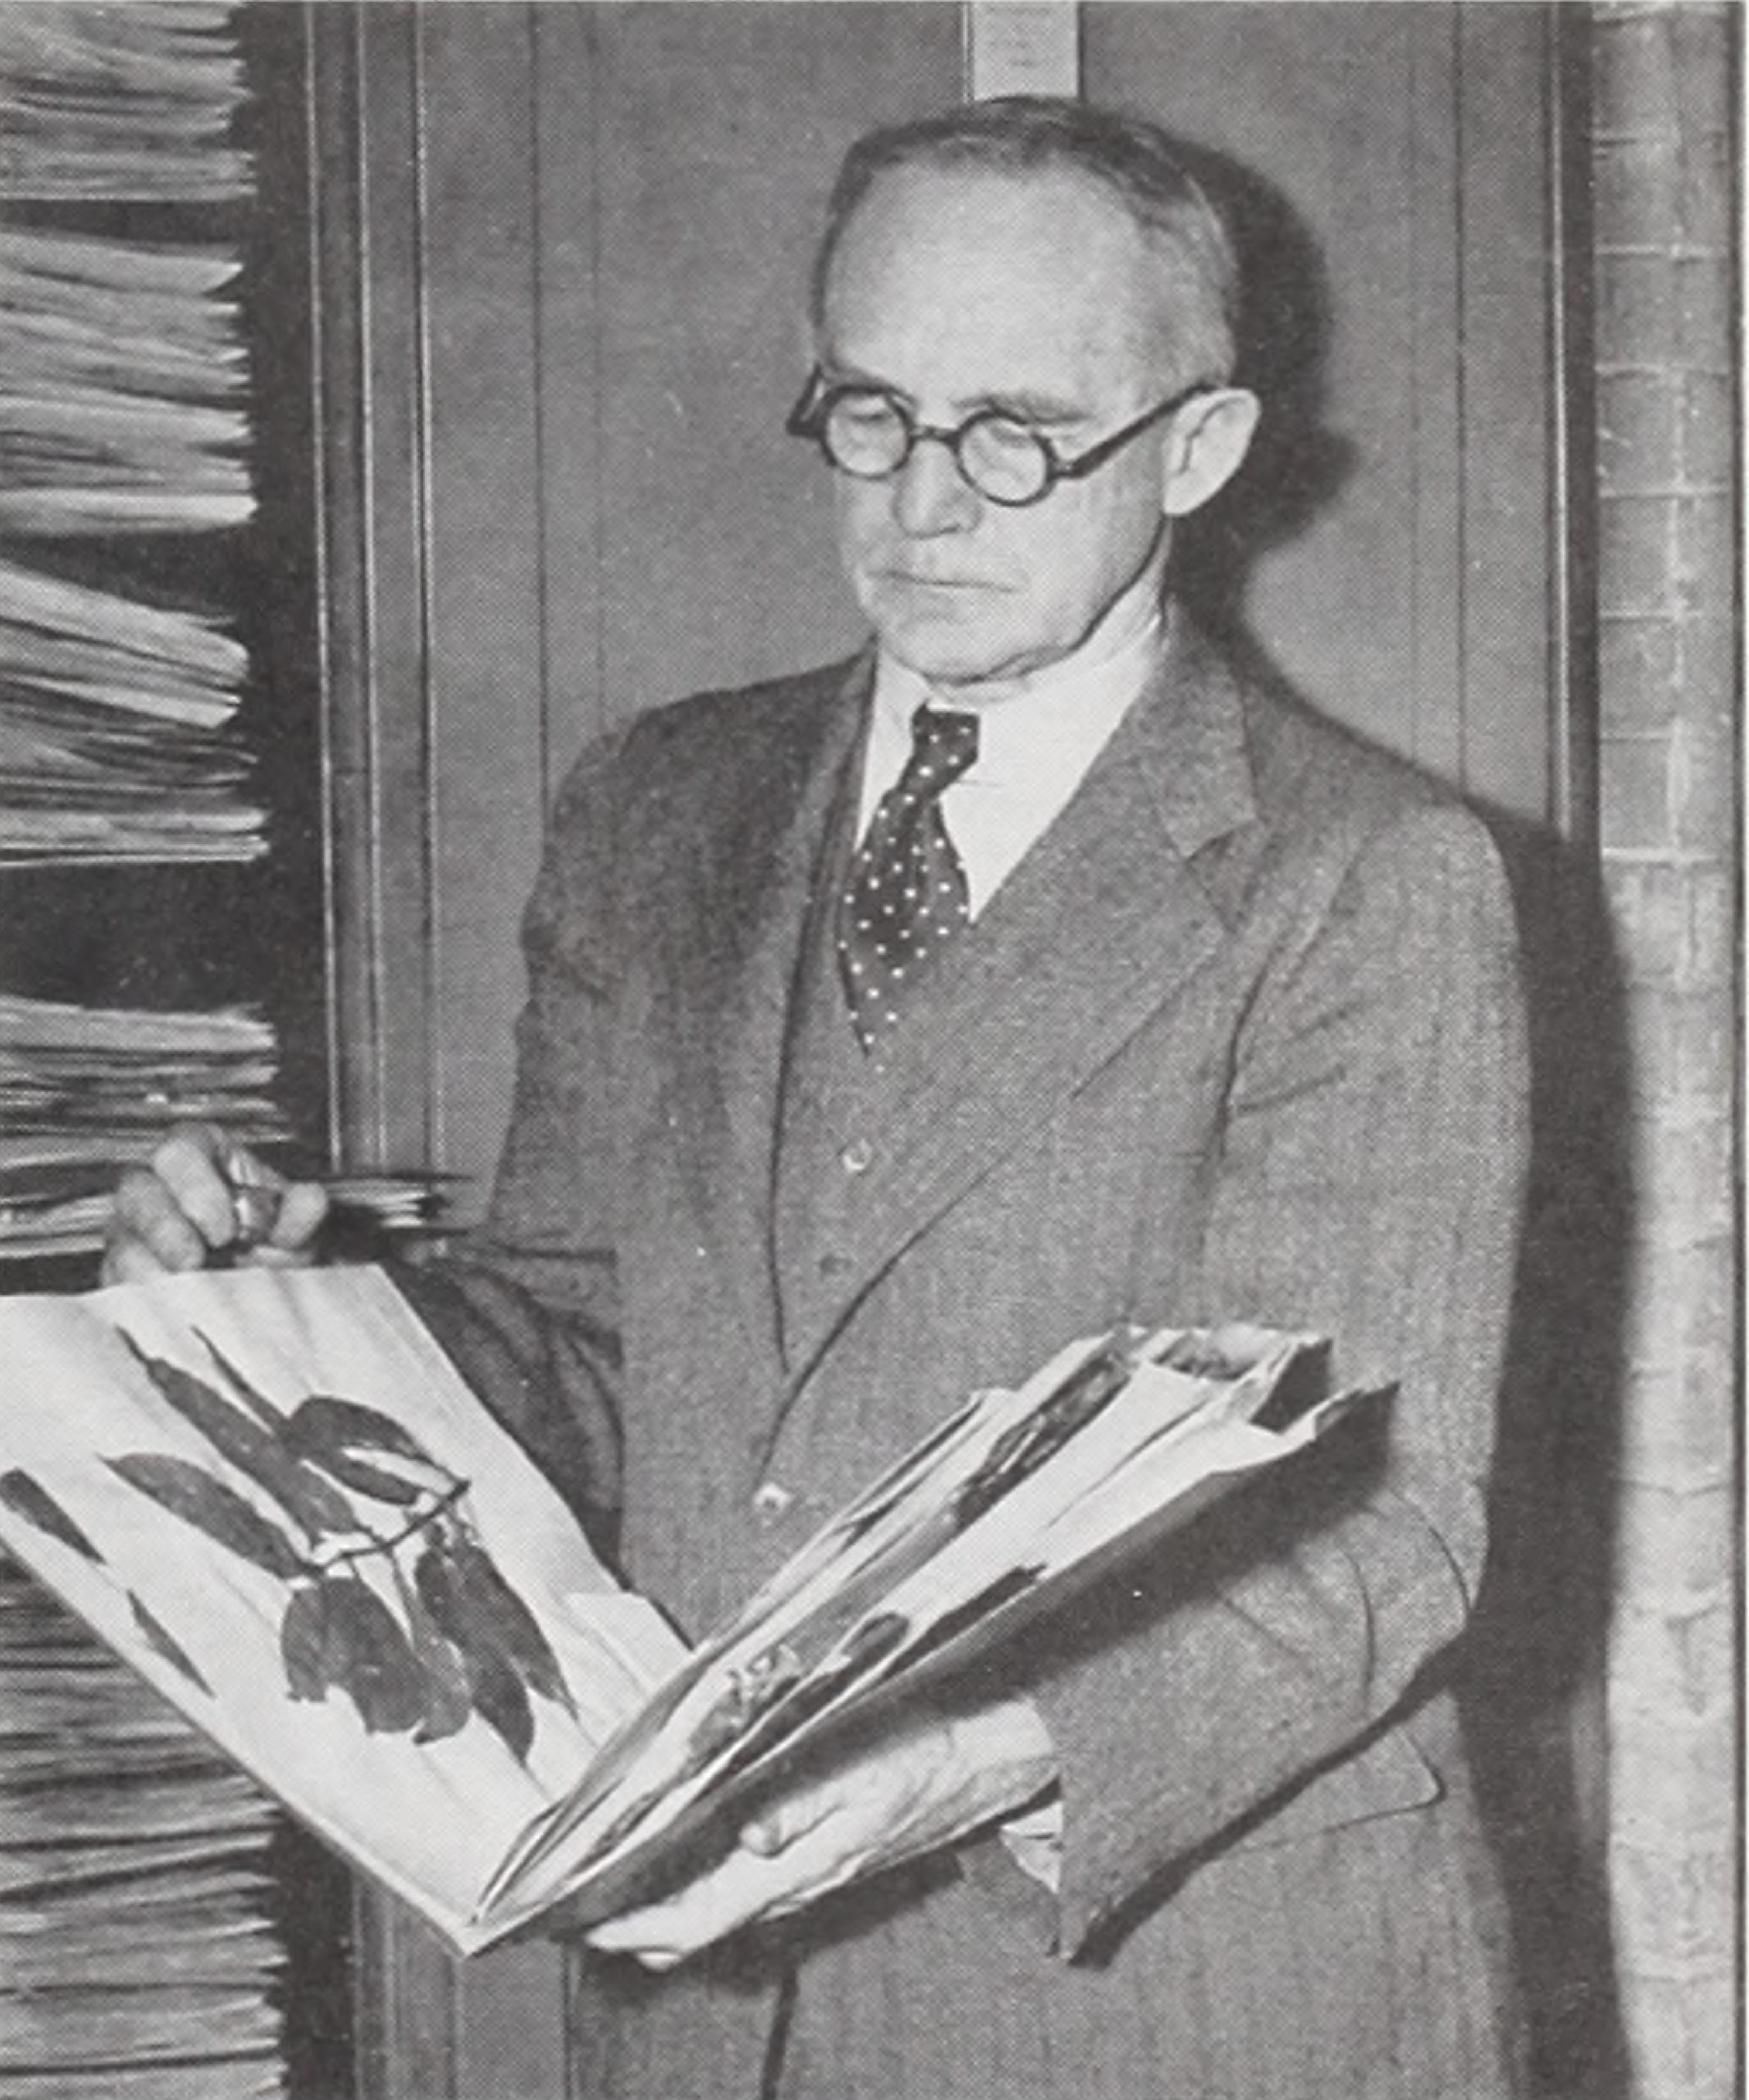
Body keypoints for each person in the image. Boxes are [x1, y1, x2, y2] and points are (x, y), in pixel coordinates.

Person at [107, 96, 1530, 2100]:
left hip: (1182, 1997)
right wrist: (307, 1308)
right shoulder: (655, 807)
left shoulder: (1363, 876)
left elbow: (1380, 1526)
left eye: (1018, 431)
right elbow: (591, 1346)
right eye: (871, 412)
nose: (926, 503)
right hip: (719, 2004)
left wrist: (959, 1759)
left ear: (1196, 451)